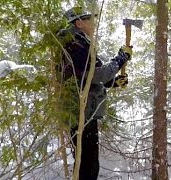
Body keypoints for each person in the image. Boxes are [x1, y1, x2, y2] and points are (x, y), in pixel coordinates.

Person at [56, 6, 132, 180]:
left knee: (86, 163)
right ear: (79, 23)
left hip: (82, 110)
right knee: (87, 166)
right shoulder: (75, 44)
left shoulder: (78, 42)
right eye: (89, 19)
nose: (94, 23)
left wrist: (113, 82)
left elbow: (88, 77)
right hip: (82, 112)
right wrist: (121, 58)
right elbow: (98, 74)